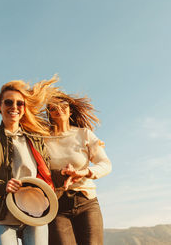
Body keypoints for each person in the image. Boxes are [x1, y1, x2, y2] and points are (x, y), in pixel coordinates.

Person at [0, 77, 56, 245]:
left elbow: (47, 172)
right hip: (0, 215)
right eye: (8, 102)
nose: (14, 107)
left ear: (24, 108)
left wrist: (69, 174)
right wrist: (2, 186)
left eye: (19, 103)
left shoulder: (35, 138)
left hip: (35, 210)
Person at [45, 92, 112, 245]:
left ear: (70, 110)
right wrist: (61, 174)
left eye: (63, 106)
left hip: (86, 201)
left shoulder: (84, 134)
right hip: (57, 206)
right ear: (49, 113)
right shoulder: (43, 139)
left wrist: (85, 172)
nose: (59, 109)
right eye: (53, 107)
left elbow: (105, 164)